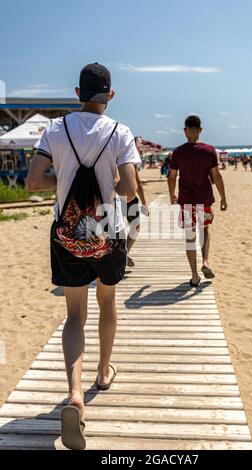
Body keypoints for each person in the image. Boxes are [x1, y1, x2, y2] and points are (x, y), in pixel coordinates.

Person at [26, 62, 140, 449]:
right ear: (111, 95)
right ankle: (103, 374)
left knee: (74, 315)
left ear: (77, 93)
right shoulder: (120, 132)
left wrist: (66, 176)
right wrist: (106, 178)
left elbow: (32, 182)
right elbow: (128, 189)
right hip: (107, 232)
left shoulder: (55, 129)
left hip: (67, 233)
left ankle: (74, 393)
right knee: (107, 301)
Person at [168, 115, 228, 286]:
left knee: (190, 237)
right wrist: (223, 198)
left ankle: (194, 275)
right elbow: (216, 176)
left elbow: (172, 176)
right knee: (205, 231)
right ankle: (206, 262)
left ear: (185, 131)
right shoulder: (209, 151)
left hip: (187, 201)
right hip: (205, 200)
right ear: (200, 130)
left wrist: (172, 194)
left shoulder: (178, 152)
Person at [120, 165, 149, 267]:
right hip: (129, 200)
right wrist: (144, 204)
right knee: (135, 227)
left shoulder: (109, 158)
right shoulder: (129, 162)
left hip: (113, 198)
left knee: (114, 229)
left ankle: (119, 253)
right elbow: (138, 185)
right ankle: (126, 251)